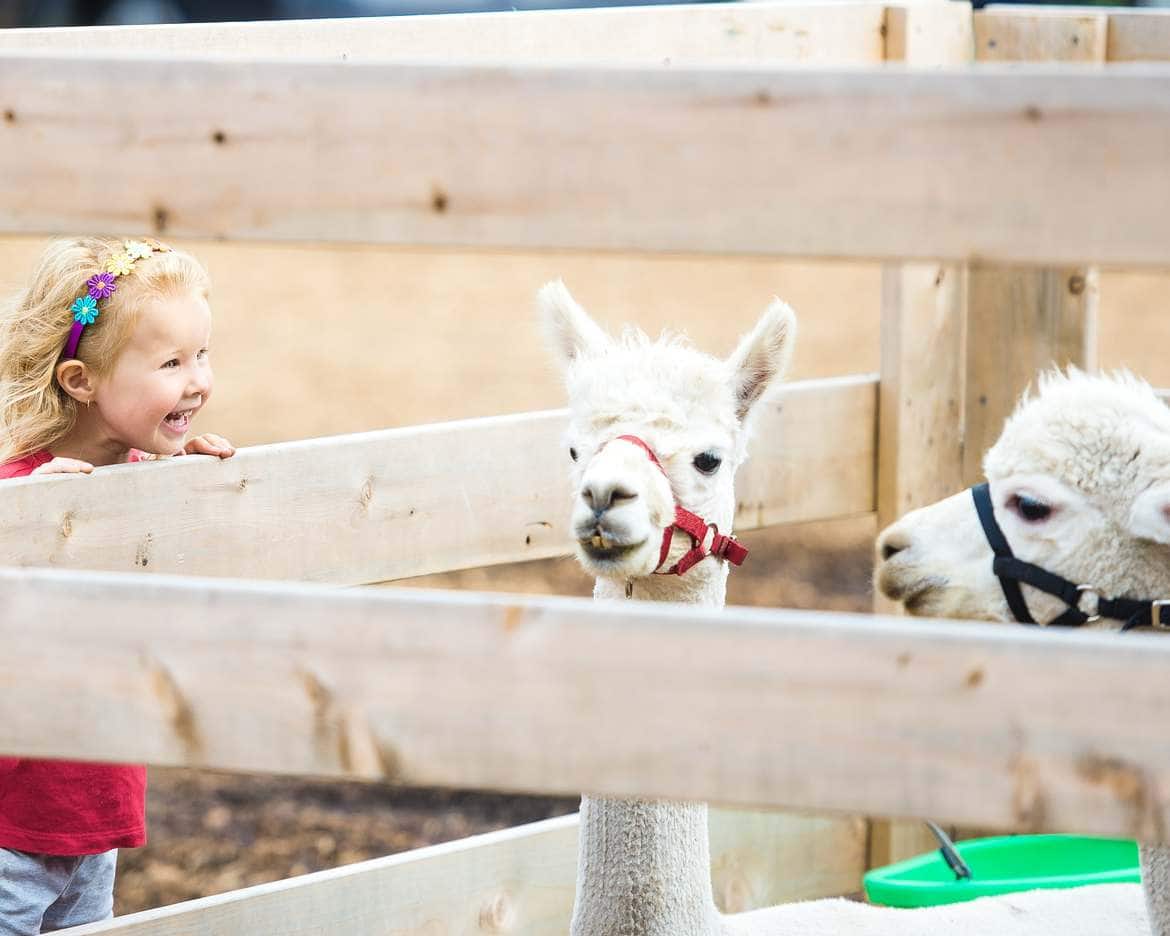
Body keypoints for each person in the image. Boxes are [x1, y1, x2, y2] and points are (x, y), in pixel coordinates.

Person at [0, 236, 235, 932]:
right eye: (171, 363)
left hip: (93, 824)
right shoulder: (21, 492)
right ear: (81, 382)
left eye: (202, 354)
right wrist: (28, 525)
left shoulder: (145, 487)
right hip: (10, 828)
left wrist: (183, 494)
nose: (198, 380)